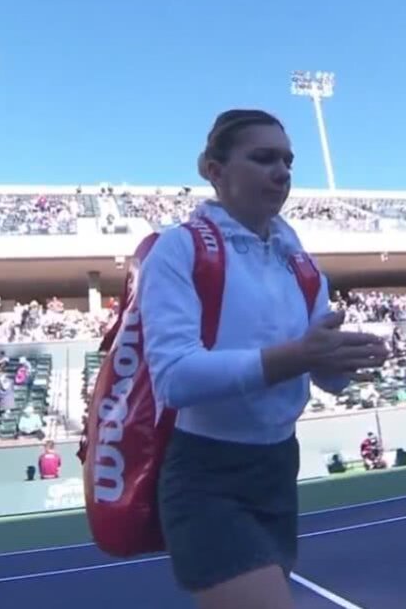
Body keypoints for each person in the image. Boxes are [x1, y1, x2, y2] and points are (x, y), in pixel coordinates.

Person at [139, 109, 390, 608]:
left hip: (278, 467)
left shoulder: (302, 263)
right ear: (214, 169)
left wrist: (339, 360)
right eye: (262, 158)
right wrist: (299, 355)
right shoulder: (179, 248)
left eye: (287, 161)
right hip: (207, 474)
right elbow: (174, 379)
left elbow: (324, 377)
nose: (282, 172)